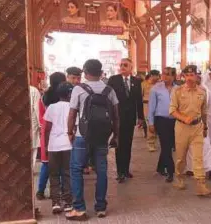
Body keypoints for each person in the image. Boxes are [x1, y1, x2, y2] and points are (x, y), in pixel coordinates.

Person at [67, 59, 119, 220]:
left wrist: (69, 132)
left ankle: (79, 209)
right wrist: (115, 135)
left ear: (85, 72)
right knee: (101, 170)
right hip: (102, 136)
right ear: (101, 72)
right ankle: (101, 207)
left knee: (76, 169)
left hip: (83, 136)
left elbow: (72, 113)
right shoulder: (109, 90)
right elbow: (116, 116)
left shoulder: (78, 89)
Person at [169, 65, 211, 196]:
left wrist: (205, 126)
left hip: (197, 127)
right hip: (182, 128)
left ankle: (201, 184)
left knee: (198, 157)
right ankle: (179, 178)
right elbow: (172, 110)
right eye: (186, 75)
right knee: (181, 157)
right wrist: (183, 117)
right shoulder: (177, 91)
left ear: (196, 76)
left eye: (191, 75)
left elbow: (204, 111)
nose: (189, 78)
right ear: (183, 76)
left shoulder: (202, 92)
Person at [108, 58, 144, 183]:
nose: (122, 67)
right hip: (117, 117)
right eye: (121, 65)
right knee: (119, 144)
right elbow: (109, 99)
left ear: (131, 68)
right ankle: (120, 172)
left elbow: (138, 100)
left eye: (125, 65)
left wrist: (140, 117)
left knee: (128, 144)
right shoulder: (113, 80)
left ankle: (126, 170)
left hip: (130, 118)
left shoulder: (136, 81)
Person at [44, 82, 74, 214]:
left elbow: (47, 128)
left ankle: (55, 203)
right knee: (67, 174)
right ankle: (68, 202)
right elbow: (74, 127)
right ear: (69, 94)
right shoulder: (73, 108)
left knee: (54, 174)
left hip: (53, 145)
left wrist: (45, 145)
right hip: (68, 144)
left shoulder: (51, 107)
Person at [36, 72, 66, 200]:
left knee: (46, 163)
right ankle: (61, 191)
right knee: (63, 165)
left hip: (47, 133)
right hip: (62, 133)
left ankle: (40, 191)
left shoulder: (44, 98)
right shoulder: (64, 99)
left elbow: (41, 118)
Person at [185, 70, 211, 178]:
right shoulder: (183, 90)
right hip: (186, 122)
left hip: (200, 122)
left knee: (204, 146)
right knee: (190, 147)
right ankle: (190, 168)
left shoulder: (204, 90)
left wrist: (205, 126)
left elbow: (205, 109)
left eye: (196, 77)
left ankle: (205, 169)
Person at [148, 67, 176, 182]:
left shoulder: (178, 89)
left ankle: (160, 167)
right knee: (165, 146)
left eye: (168, 74)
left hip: (175, 120)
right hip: (161, 120)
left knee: (169, 145)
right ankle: (171, 171)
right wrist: (151, 123)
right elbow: (151, 107)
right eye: (164, 74)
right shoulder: (156, 89)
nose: (165, 76)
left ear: (174, 76)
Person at [142, 70, 160, 152]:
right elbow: (140, 96)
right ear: (151, 75)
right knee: (150, 123)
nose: (158, 78)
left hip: (158, 106)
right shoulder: (143, 84)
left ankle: (157, 141)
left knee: (157, 124)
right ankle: (151, 143)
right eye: (156, 76)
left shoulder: (159, 85)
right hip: (147, 105)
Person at [30, 85, 41, 169]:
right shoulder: (33, 90)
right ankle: (31, 169)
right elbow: (37, 109)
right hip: (31, 122)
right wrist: (41, 124)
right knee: (32, 146)